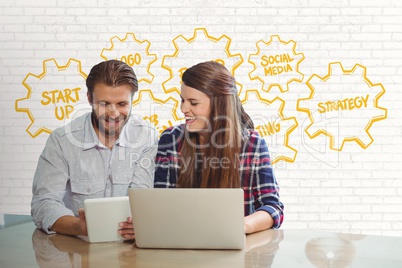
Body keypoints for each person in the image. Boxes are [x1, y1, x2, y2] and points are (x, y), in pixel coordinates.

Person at [31, 60, 158, 239]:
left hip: (128, 249)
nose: (113, 113)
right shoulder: (62, 141)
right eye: (104, 103)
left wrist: (138, 223)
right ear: (90, 99)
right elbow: (43, 203)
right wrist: (80, 227)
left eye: (122, 104)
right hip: (77, 247)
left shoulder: (146, 137)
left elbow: (142, 199)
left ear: (132, 100)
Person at [154, 61, 284, 234]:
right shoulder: (170, 139)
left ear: (219, 104)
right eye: (182, 100)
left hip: (236, 249)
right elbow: (160, 205)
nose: (183, 109)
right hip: (183, 244)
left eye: (193, 103)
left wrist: (240, 225)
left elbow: (272, 208)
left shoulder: (252, 145)